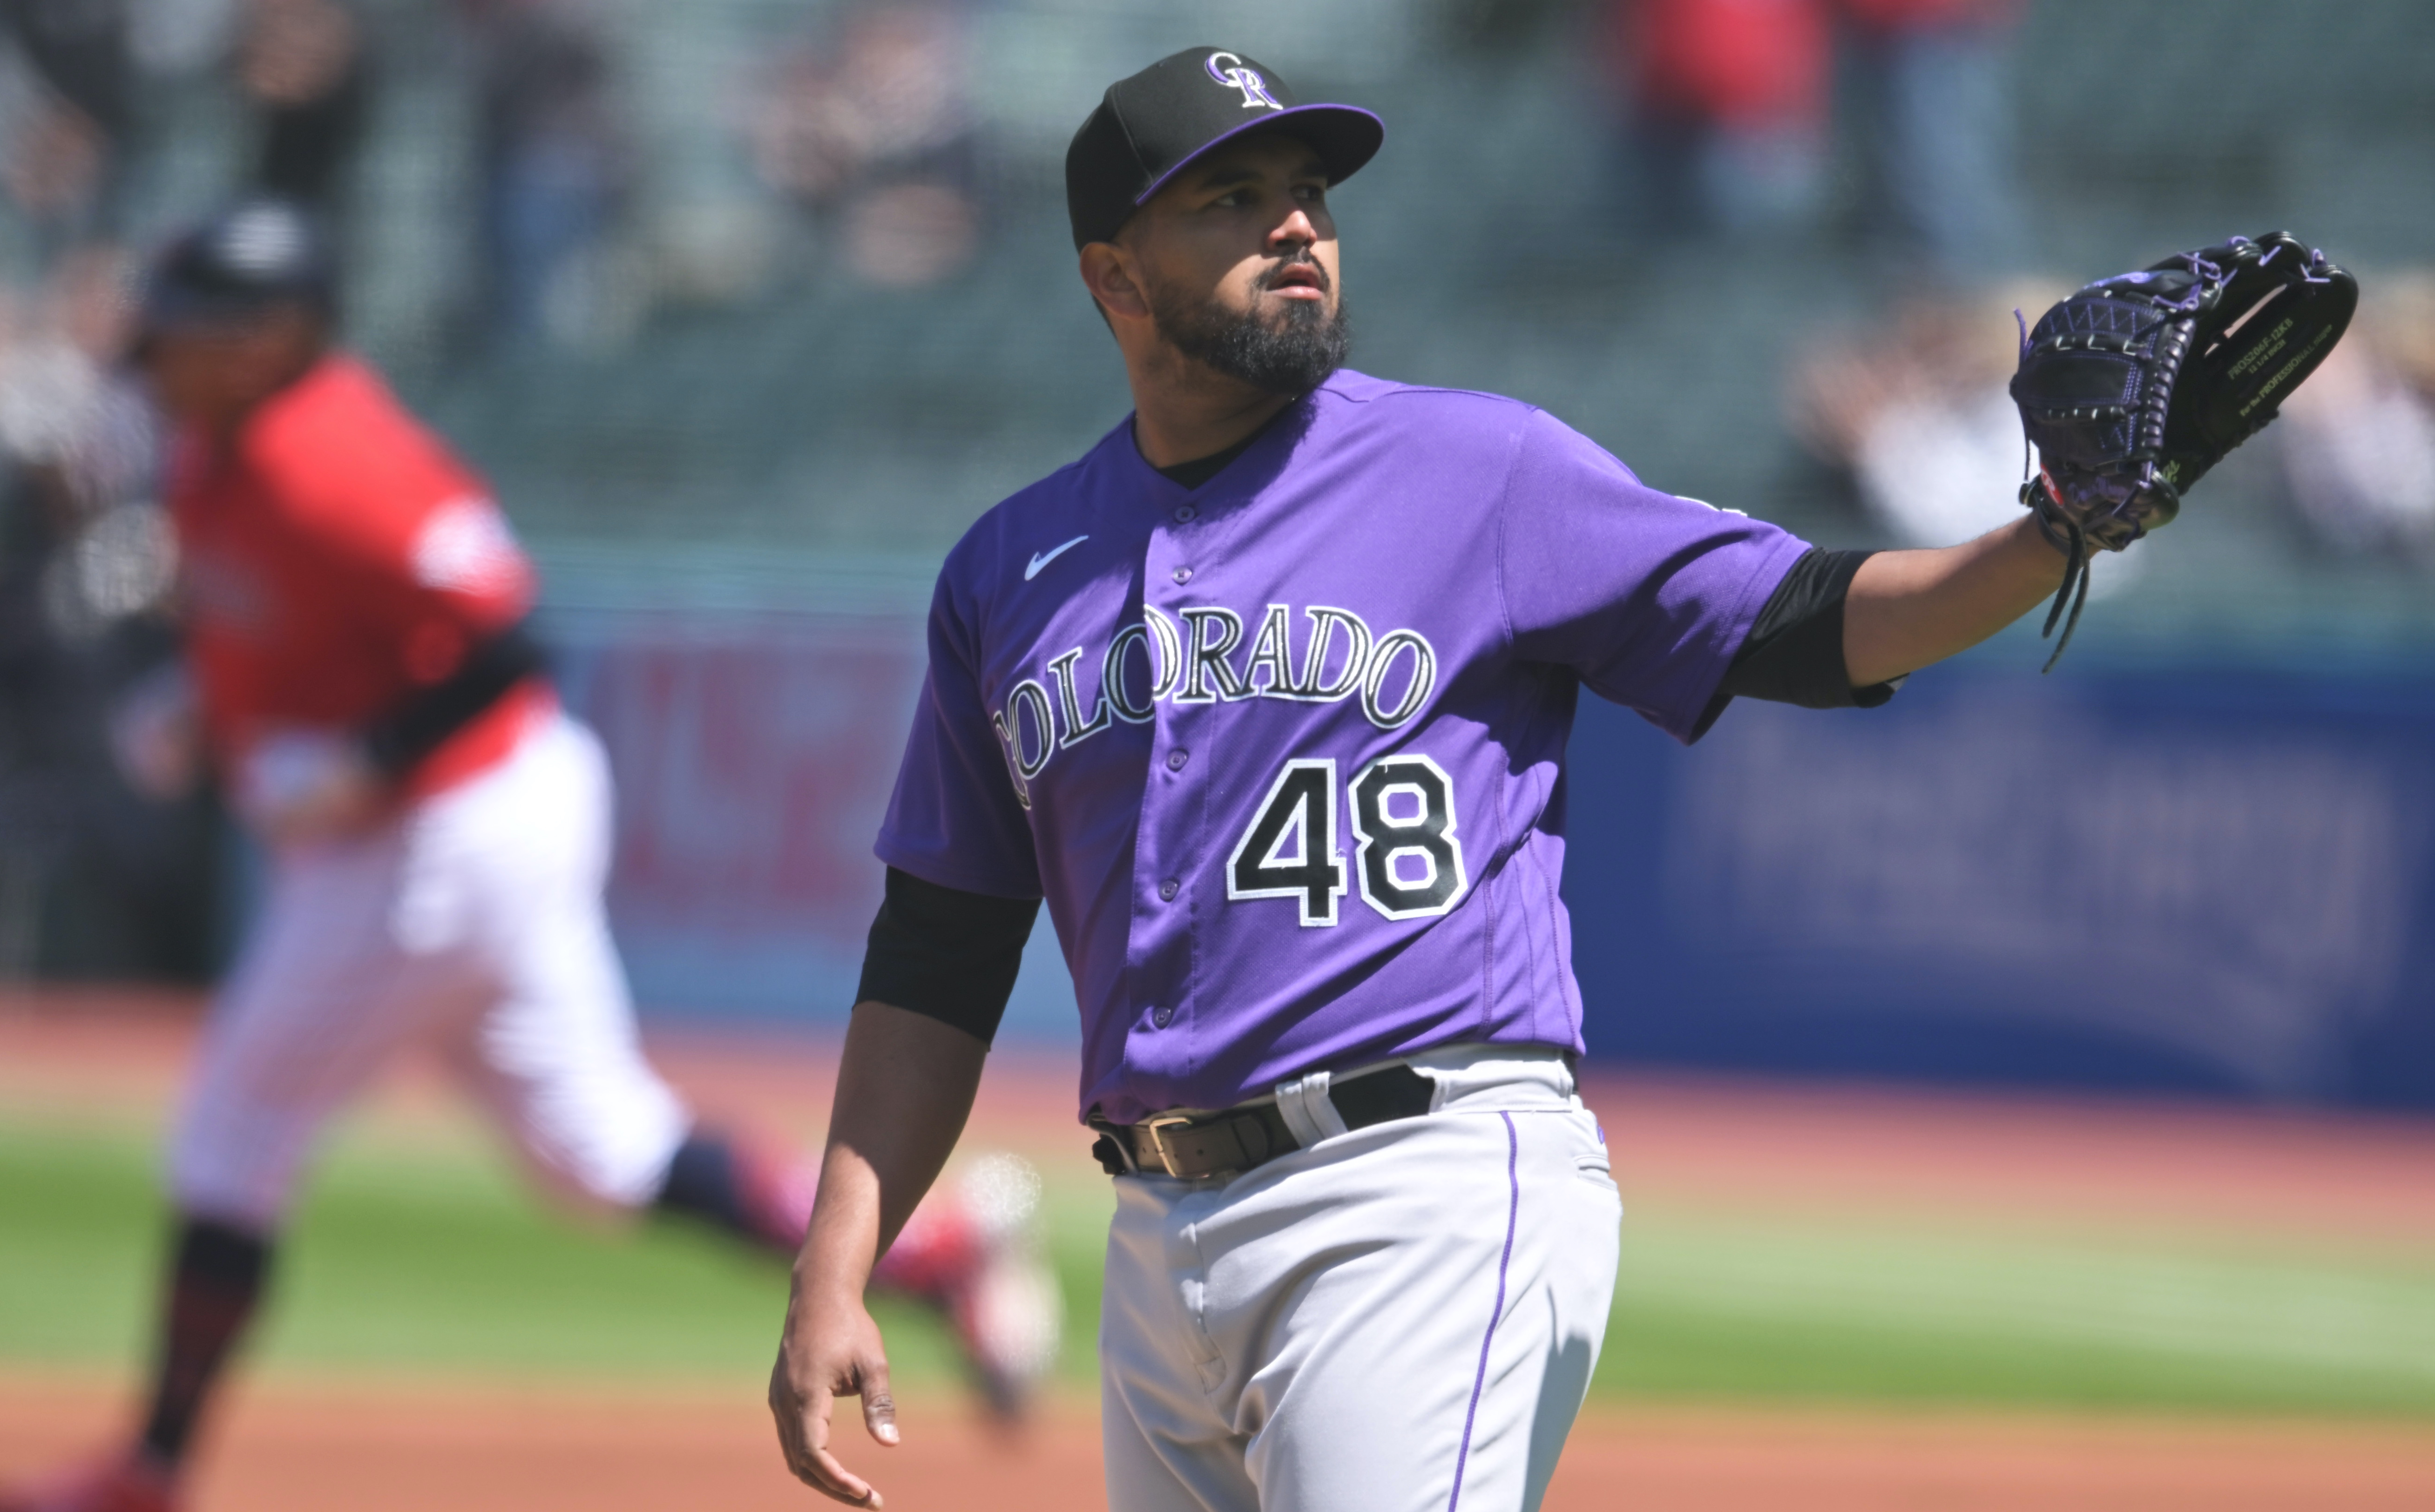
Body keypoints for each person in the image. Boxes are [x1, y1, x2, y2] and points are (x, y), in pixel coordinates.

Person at [766, 47, 2188, 1512]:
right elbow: (938, 945)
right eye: (1234, 198)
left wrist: (2051, 533)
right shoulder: (1010, 570)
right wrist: (838, 1260)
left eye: (1310, 192)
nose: (1296, 225)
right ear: (1114, 279)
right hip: (1155, 1227)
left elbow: (1802, 625)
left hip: (1421, 1188)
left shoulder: (1480, 471)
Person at [0, 198, 1059, 1512]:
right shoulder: (208, 451)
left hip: (448, 829)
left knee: (231, 1129)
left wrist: (362, 759)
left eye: (193, 330)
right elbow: (284, 620)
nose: (162, 351)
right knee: (597, 1151)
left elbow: (505, 633)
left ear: (272, 338)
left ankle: (149, 1472)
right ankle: (934, 1257)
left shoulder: (337, 454)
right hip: (441, 832)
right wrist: (204, 708)